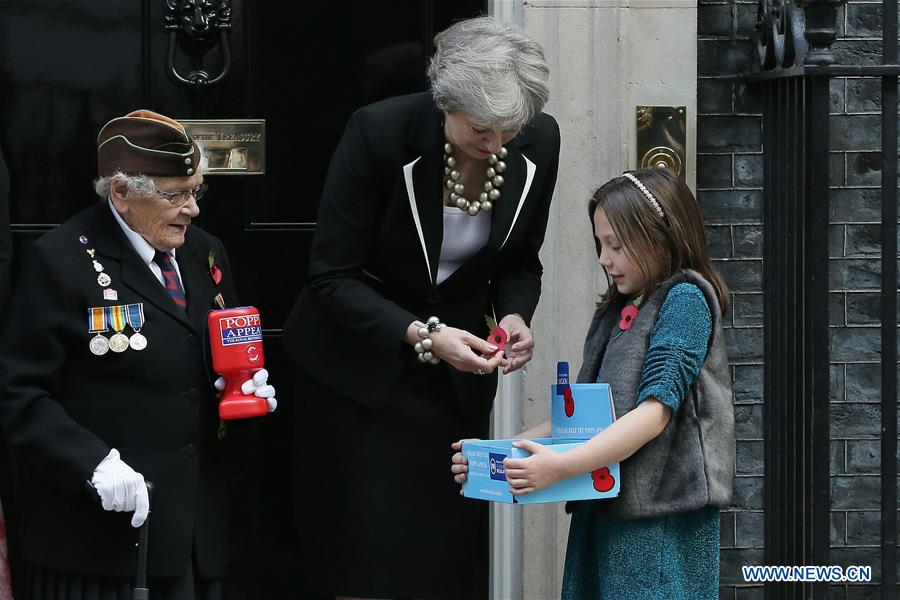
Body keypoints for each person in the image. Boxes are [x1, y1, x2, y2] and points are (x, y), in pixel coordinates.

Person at [281, 16, 560, 600]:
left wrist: (513, 316)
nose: (497, 144)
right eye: (481, 129)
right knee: (362, 560)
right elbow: (332, 277)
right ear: (445, 102)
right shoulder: (378, 134)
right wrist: (425, 336)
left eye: (510, 128)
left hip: (451, 391)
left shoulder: (538, 141)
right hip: (356, 374)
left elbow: (519, 261)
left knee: (442, 563)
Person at [0, 110, 276, 599]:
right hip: (100, 542)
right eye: (174, 195)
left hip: (193, 535)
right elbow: (18, 391)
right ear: (122, 194)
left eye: (196, 191)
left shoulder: (205, 253)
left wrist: (241, 391)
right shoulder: (59, 259)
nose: (192, 209)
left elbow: (217, 350)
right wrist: (90, 462)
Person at [451, 167, 735, 599]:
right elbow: (579, 417)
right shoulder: (618, 308)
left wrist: (561, 466)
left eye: (616, 245)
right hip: (604, 509)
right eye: (601, 244)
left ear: (662, 237)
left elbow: (654, 413)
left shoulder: (686, 299)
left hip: (658, 520)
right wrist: (495, 456)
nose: (604, 259)